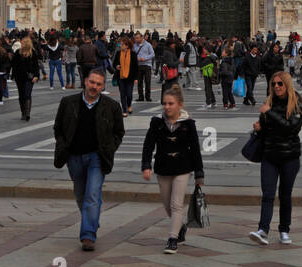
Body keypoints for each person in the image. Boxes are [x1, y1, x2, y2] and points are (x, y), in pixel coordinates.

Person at [53, 66, 125, 251]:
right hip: (74, 156)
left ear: (103, 86)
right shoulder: (68, 102)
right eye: (92, 82)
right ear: (85, 81)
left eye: (98, 84)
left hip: (97, 157)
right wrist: (63, 145)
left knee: (92, 194)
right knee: (80, 194)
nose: (94, 86)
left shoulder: (112, 106)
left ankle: (88, 236)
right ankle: (91, 220)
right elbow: (58, 127)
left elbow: (119, 132)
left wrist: (110, 148)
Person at [141, 83, 204, 254]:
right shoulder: (157, 122)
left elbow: (195, 149)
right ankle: (181, 227)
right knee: (167, 205)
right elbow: (148, 145)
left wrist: (199, 173)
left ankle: (172, 239)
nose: (167, 107)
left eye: (171, 103)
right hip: (162, 168)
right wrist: (146, 165)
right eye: (165, 103)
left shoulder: (188, 124)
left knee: (176, 205)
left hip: (183, 167)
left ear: (180, 105)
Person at [249, 71, 302, 246]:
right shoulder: (269, 102)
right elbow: (267, 130)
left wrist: (270, 113)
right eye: (273, 84)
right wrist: (258, 129)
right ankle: (263, 230)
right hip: (270, 155)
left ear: (287, 84)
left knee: (285, 195)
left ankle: (284, 230)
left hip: (290, 156)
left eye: (280, 83)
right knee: (267, 194)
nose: (276, 87)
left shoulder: (296, 103)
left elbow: (290, 128)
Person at [11, 36, 38, 121]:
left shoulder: (33, 53)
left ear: (27, 44)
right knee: (21, 95)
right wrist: (13, 76)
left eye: (23, 43)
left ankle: (27, 114)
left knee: (27, 94)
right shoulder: (17, 53)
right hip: (19, 77)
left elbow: (36, 66)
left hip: (29, 77)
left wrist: (36, 76)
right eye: (21, 43)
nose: (21, 44)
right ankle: (23, 113)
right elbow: (14, 65)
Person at [115, 32, 138, 114]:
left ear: (127, 45)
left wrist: (136, 78)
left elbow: (136, 67)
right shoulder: (118, 53)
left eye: (122, 44)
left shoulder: (133, 54)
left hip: (130, 77)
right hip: (120, 77)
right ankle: (124, 110)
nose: (120, 46)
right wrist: (116, 66)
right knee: (122, 94)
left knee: (129, 94)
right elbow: (114, 63)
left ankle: (129, 105)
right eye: (120, 44)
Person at [135, 33, 154, 102]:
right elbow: (133, 54)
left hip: (147, 65)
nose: (136, 39)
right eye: (135, 38)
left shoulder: (148, 45)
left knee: (147, 81)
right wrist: (136, 58)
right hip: (139, 65)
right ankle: (140, 96)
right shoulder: (135, 45)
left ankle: (148, 96)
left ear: (141, 38)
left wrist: (145, 58)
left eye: (137, 38)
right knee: (139, 82)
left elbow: (152, 54)